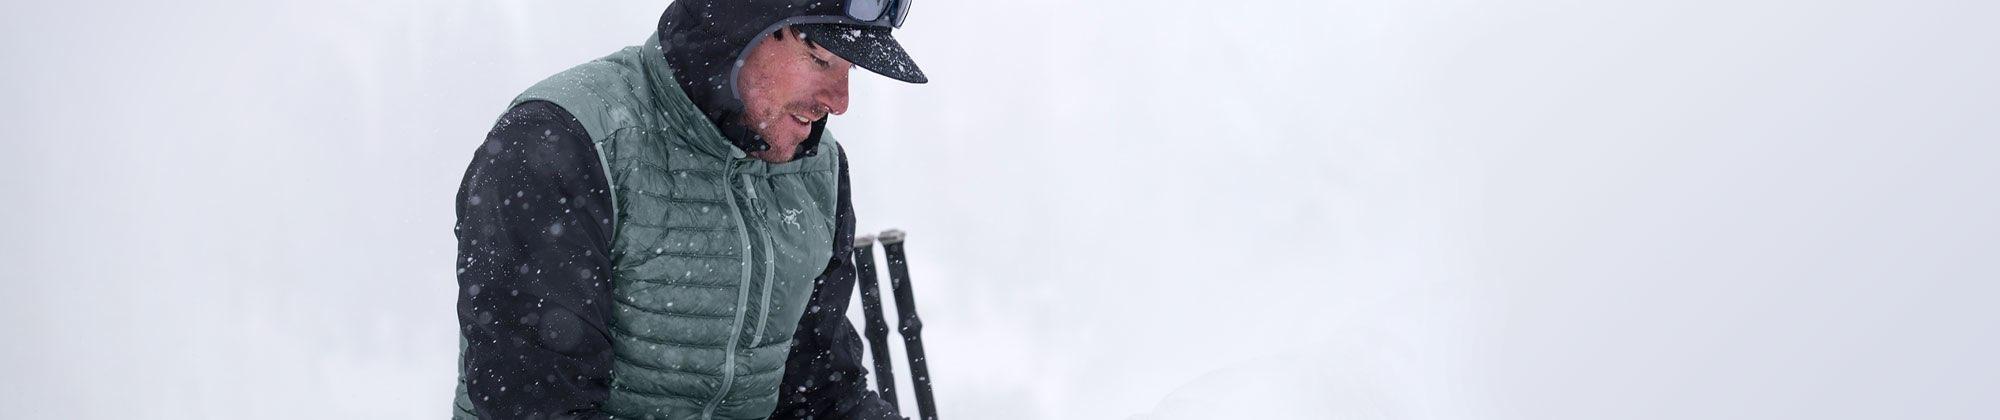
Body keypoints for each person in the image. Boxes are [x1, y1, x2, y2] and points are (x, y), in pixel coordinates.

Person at [448, 0, 926, 418]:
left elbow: (819, 397)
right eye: (820, 59)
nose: (840, 102)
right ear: (739, 27)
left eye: (850, 70)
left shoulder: (814, 170)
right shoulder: (563, 142)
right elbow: (537, 406)